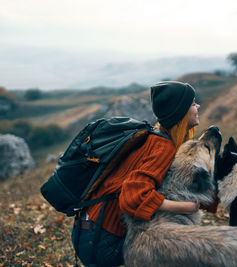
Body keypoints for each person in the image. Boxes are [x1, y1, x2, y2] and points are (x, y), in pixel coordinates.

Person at [72, 81, 212, 266]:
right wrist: (186, 208)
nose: (198, 106)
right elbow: (132, 198)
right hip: (102, 240)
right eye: (193, 103)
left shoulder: (156, 137)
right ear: (181, 112)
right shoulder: (163, 147)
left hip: (88, 231)